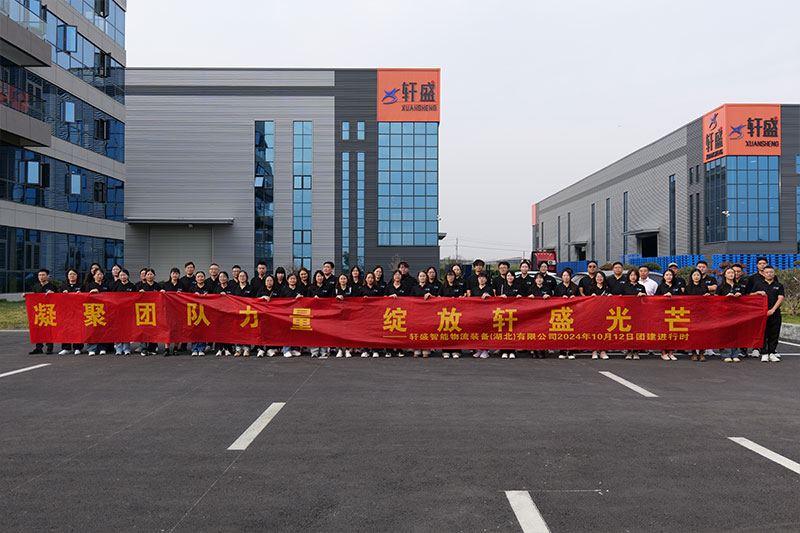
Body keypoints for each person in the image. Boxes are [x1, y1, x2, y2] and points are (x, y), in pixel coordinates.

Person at [751, 266, 784, 363]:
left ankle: (772, 353)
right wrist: (757, 292)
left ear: (774, 273)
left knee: (774, 333)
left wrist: (773, 310)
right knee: (763, 334)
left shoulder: (779, 285)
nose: (769, 274)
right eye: (767, 272)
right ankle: (764, 353)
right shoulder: (758, 284)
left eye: (771, 272)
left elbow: (780, 298)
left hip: (775, 313)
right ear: (764, 274)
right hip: (762, 313)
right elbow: (750, 295)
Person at [715, 267, 746, 363]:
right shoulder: (721, 287)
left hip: (736, 313)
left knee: (735, 333)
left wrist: (739, 295)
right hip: (724, 313)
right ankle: (725, 354)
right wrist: (726, 297)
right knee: (725, 333)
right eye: (728, 273)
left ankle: (735, 354)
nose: (731, 274)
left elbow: (745, 299)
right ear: (724, 275)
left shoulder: (739, 286)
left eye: (732, 273)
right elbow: (715, 300)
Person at [618, 269, 646, 360]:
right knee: (628, 332)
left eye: (634, 275)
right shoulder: (624, 286)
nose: (633, 277)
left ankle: (636, 351)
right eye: (631, 275)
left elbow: (646, 300)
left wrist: (643, 295)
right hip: (627, 313)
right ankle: (629, 351)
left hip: (638, 313)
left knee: (637, 332)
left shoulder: (641, 287)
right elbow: (619, 298)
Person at [684, 268, 710, 361]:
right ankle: (694, 352)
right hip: (691, 313)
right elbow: (684, 300)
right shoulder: (688, 288)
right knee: (693, 334)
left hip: (702, 314)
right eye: (694, 275)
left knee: (702, 334)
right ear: (691, 277)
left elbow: (709, 300)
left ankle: (702, 353)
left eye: (698, 275)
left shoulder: (704, 287)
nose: (696, 277)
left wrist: (707, 297)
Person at [656, 269, 682, 361]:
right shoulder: (661, 287)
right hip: (663, 312)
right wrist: (663, 297)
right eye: (667, 275)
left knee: (673, 333)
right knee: (664, 333)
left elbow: (682, 298)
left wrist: (673, 297)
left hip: (675, 313)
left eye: (670, 275)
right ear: (663, 276)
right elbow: (655, 299)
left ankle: (671, 352)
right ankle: (663, 352)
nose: (669, 277)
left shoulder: (677, 287)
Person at [307, 270, 334, 359]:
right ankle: (314, 351)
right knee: (314, 332)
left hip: (324, 313)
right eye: (318, 276)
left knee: (324, 332)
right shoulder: (311, 288)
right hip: (314, 314)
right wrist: (313, 299)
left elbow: (331, 300)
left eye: (321, 276)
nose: (320, 278)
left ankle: (324, 350)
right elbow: (306, 301)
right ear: (315, 278)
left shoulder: (328, 287)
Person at [57, 268, 84, 355]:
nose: (72, 276)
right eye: (70, 274)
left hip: (78, 311)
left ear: (77, 276)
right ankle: (66, 347)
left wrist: (81, 294)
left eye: (74, 274)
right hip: (66, 312)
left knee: (77, 329)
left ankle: (78, 347)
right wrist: (63, 294)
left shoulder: (81, 286)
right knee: (66, 329)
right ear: (67, 276)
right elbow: (58, 298)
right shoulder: (64, 286)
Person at [29, 268, 56, 355]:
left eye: (43, 275)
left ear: (48, 276)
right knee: (38, 329)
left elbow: (59, 297)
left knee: (48, 330)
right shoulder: (37, 287)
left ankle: (49, 348)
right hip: (39, 311)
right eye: (40, 275)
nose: (41, 277)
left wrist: (53, 293)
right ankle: (38, 347)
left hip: (49, 311)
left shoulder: (52, 286)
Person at [439, 269, 464, 359]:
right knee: (446, 331)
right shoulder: (443, 287)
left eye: (452, 275)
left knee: (456, 331)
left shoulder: (459, 287)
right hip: (445, 313)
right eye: (449, 275)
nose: (450, 277)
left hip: (456, 313)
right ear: (446, 277)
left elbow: (462, 297)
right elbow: (439, 297)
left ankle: (456, 350)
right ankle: (445, 350)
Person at [84, 268, 110, 356]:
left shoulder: (106, 286)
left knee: (103, 330)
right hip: (92, 311)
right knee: (92, 330)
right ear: (94, 276)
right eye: (97, 274)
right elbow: (85, 298)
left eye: (101, 274)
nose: (99, 276)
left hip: (103, 311)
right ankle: (92, 348)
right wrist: (91, 293)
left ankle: (102, 348)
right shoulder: (89, 285)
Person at [554, 268, 578, 360]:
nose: (566, 277)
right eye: (564, 275)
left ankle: (571, 351)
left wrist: (574, 298)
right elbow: (554, 299)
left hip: (573, 313)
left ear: (570, 276)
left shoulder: (574, 286)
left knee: (572, 332)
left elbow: (580, 299)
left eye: (567, 275)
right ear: (561, 277)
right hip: (562, 313)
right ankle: (562, 351)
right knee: (562, 332)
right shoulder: (558, 287)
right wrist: (561, 298)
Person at [409, 270, 434, 358]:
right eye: (420, 276)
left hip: (428, 312)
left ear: (426, 277)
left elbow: (437, 298)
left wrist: (430, 295)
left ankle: (426, 349)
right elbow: (410, 300)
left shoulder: (430, 287)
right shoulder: (414, 288)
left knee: (426, 330)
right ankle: (417, 349)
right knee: (417, 330)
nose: (422, 277)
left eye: (424, 276)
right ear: (418, 278)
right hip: (417, 312)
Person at [497, 270, 522, 359]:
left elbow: (523, 297)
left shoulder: (518, 286)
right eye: (508, 276)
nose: (510, 277)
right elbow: (496, 298)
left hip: (514, 313)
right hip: (504, 312)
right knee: (504, 331)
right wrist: (500, 297)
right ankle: (504, 350)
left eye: (511, 276)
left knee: (513, 332)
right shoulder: (502, 286)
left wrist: (519, 297)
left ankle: (512, 351)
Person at [279, 273, 304, 358]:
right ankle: (286, 349)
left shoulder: (299, 289)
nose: (292, 280)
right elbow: (280, 302)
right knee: (287, 332)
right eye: (291, 279)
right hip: (286, 314)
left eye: (294, 279)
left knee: (296, 331)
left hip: (297, 314)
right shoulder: (284, 290)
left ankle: (295, 348)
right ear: (287, 280)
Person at [588, 271, 612, 360]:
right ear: (595, 278)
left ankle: (603, 351)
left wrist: (611, 297)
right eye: (597, 277)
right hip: (593, 313)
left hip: (605, 313)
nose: (599, 278)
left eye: (601, 277)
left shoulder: (607, 289)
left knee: (604, 332)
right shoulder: (591, 288)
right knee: (594, 332)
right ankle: (594, 351)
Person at [112, 269, 136, 356]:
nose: (123, 277)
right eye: (121, 275)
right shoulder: (116, 286)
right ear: (119, 277)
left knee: (126, 330)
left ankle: (127, 348)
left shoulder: (132, 286)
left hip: (128, 312)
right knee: (118, 331)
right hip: (118, 311)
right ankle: (118, 348)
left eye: (124, 275)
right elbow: (112, 297)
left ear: (128, 276)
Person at [137, 269, 161, 356]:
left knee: (153, 330)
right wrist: (139, 293)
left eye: (151, 274)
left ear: (154, 276)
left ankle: (152, 348)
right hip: (144, 311)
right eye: (148, 274)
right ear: (145, 276)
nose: (150, 276)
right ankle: (143, 349)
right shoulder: (141, 286)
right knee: (143, 330)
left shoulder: (157, 286)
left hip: (154, 311)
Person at [470, 271, 493, 359]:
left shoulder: (489, 289)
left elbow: (494, 300)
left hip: (486, 313)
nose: (481, 279)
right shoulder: (474, 289)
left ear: (486, 279)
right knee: (477, 331)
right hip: (476, 313)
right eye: (480, 278)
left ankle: (485, 350)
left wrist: (488, 296)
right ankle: (479, 349)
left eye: (483, 278)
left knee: (486, 332)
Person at [188, 271, 212, 356]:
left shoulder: (208, 288)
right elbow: (187, 298)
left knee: (203, 331)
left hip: (204, 313)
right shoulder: (192, 288)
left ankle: (201, 349)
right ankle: (194, 349)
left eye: (202, 276)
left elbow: (213, 299)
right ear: (195, 278)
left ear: (204, 278)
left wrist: (208, 296)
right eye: (198, 277)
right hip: (194, 312)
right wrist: (193, 295)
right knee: (194, 331)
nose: (200, 278)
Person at [232, 270, 254, 357]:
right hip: (237, 313)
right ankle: (238, 348)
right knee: (238, 331)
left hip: (247, 313)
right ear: (238, 278)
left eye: (244, 276)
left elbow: (254, 300)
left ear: (246, 277)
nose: (242, 278)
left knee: (247, 331)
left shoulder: (250, 288)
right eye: (240, 276)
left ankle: (246, 348)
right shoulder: (235, 288)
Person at [258, 275, 281, 357]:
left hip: (273, 315)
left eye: (271, 280)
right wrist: (263, 297)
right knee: (261, 332)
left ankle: (269, 348)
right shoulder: (261, 290)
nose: (269, 282)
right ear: (264, 282)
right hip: (262, 315)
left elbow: (282, 301)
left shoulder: (277, 290)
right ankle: (260, 348)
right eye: (267, 280)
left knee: (271, 332)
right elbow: (255, 300)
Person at [335, 274, 357, 358]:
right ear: (339, 280)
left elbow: (355, 299)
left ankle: (347, 349)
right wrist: (336, 297)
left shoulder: (351, 289)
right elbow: (331, 299)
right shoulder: (336, 290)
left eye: (344, 279)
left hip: (349, 314)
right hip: (338, 314)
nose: (343, 280)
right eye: (341, 279)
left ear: (347, 280)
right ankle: (340, 350)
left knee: (348, 332)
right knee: (339, 332)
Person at [212, 272, 234, 357]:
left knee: (228, 331)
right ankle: (219, 349)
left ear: (227, 278)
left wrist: (227, 296)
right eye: (220, 277)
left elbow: (234, 299)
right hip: (218, 312)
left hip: (228, 312)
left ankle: (228, 348)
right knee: (219, 331)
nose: (222, 278)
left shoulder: (231, 288)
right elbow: (212, 299)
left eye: (224, 277)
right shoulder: (216, 288)